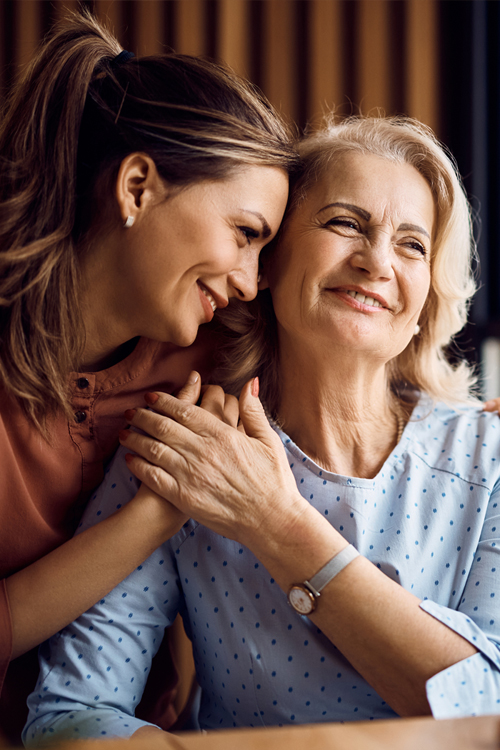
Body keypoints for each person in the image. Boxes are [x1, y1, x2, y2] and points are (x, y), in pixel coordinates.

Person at [24, 116, 500, 745]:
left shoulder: (489, 457)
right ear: (269, 261)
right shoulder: (191, 448)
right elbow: (69, 716)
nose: (377, 260)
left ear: (426, 302)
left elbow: (491, 710)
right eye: (344, 223)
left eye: (412, 244)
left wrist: (278, 525)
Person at [0, 9, 296, 742]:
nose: (254, 281)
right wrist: (155, 515)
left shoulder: (215, 356)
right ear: (137, 187)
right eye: (246, 234)